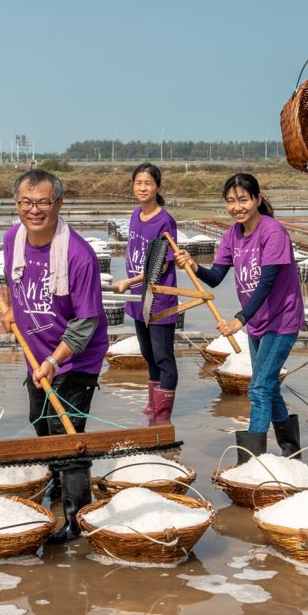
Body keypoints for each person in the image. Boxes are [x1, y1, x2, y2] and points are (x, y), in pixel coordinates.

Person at [2, 168, 110, 542]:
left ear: (58, 204)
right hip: (38, 355)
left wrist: (54, 361)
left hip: (76, 358)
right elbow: (16, 284)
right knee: (40, 421)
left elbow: (86, 323)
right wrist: (12, 311)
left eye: (43, 203)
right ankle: (58, 486)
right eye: (27, 203)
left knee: (67, 435)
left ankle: (76, 521)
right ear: (17, 204)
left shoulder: (78, 255)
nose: (35, 210)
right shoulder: (12, 239)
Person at [173, 173, 303, 458]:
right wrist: (193, 266)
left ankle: (251, 461)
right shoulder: (232, 234)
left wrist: (239, 319)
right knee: (269, 387)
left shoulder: (273, 232)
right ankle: (292, 452)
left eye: (243, 200)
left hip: (282, 320)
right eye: (231, 201)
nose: (237, 207)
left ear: (257, 199)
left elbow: (267, 282)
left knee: (258, 388)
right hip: (258, 322)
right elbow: (216, 276)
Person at [111, 162, 179, 424]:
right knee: (148, 353)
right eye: (138, 182)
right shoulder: (135, 216)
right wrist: (131, 285)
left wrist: (129, 282)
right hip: (138, 298)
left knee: (163, 355)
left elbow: (160, 265)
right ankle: (153, 404)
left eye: (148, 183)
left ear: (157, 187)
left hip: (158, 298)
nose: (142, 187)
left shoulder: (165, 221)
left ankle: (163, 415)